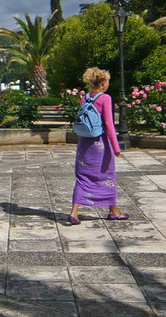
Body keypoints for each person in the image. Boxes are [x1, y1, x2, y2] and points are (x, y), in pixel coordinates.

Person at [69, 67, 129, 225]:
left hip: (84, 144)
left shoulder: (85, 98)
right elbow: (109, 125)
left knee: (82, 177)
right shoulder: (105, 98)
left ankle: (74, 213)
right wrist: (116, 148)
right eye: (107, 81)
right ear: (102, 83)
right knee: (107, 176)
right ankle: (113, 211)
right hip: (100, 144)